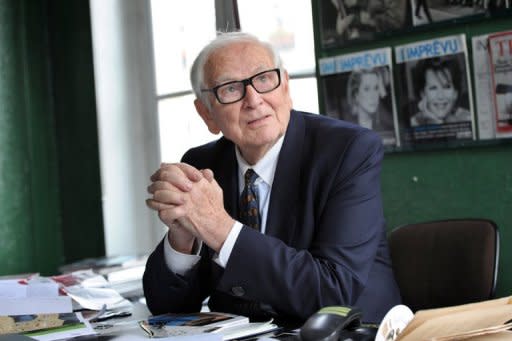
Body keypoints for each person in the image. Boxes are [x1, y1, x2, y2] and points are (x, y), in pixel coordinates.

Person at [143, 31, 401, 325]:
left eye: (264, 78)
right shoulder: (202, 165)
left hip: (348, 330)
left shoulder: (348, 151)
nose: (254, 100)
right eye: (230, 88)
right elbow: (166, 307)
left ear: (286, 87)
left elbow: (332, 291)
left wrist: (219, 227)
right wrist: (182, 236)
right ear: (207, 114)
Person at [410, 57, 471, 126]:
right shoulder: (414, 122)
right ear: (423, 94)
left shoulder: (468, 118)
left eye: (446, 87)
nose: (440, 96)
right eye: (433, 88)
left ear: (455, 93)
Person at [345, 67, 395, 132]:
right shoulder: (347, 129)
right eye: (367, 89)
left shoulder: (387, 128)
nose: (373, 96)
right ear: (356, 95)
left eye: (376, 88)